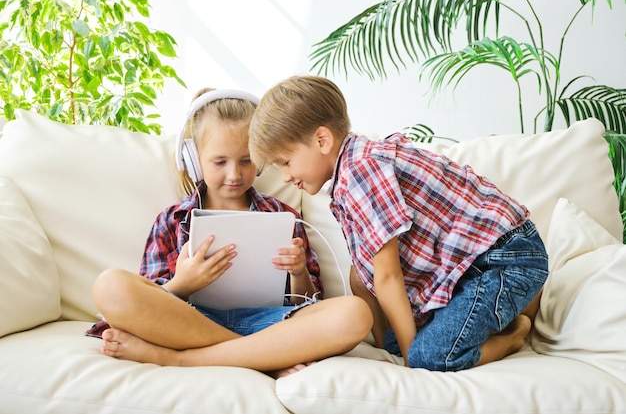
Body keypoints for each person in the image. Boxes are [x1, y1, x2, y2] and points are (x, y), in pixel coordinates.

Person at [247, 75, 549, 372]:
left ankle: (514, 335)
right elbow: (367, 274)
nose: (285, 176)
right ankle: (402, 348)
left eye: (286, 162)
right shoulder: (350, 171)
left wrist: (410, 363)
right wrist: (393, 350)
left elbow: (388, 277)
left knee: (427, 358)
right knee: (367, 289)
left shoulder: (360, 171)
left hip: (504, 260)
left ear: (322, 140)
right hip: (472, 268)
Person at [87, 88, 372, 377]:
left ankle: (179, 360)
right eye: (220, 162)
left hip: (272, 323)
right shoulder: (171, 219)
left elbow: (311, 302)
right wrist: (181, 285)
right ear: (194, 160)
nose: (235, 174)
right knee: (110, 285)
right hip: (189, 324)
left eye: (246, 160)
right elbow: (149, 300)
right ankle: (264, 359)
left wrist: (299, 273)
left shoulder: (282, 216)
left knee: (355, 313)